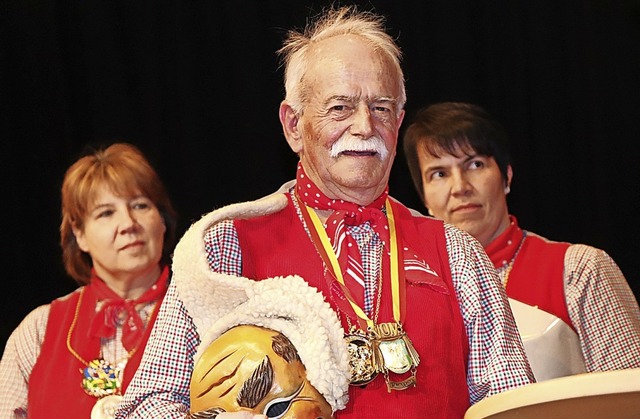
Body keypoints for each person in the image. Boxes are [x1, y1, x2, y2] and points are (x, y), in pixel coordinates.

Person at [117, 7, 533, 418]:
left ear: (399, 121)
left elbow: (514, 407)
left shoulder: (458, 252)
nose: (364, 126)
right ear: (293, 125)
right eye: (340, 108)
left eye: (381, 108)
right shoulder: (224, 245)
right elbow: (148, 405)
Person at [403, 101, 640, 381]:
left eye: (475, 164)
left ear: (507, 177)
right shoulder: (413, 292)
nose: (460, 187)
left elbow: (628, 395)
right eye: (439, 174)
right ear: (424, 198)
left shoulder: (579, 270)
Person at [0, 143, 178, 418]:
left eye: (140, 205)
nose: (128, 223)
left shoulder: (196, 314)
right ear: (79, 234)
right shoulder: (39, 329)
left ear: (162, 221)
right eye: (106, 213)